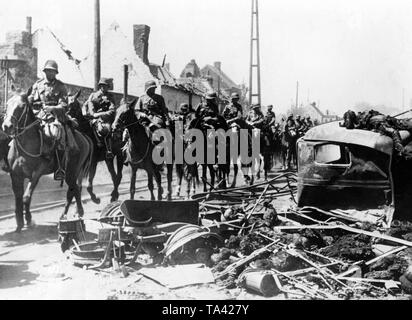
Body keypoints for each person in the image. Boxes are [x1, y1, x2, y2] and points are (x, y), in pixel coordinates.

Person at [28, 60, 78, 181]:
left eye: (52, 71)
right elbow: (31, 99)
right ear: (44, 71)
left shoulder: (61, 86)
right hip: (37, 114)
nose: (49, 73)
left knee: (56, 134)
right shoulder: (37, 84)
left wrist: (52, 108)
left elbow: (64, 105)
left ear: (55, 73)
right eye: (47, 71)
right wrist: (29, 99)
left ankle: (59, 168)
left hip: (54, 116)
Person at [84, 78, 116, 159]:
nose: (106, 88)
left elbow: (112, 110)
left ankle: (108, 150)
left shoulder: (110, 97)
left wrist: (100, 114)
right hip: (94, 118)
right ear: (100, 86)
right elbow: (91, 109)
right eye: (104, 86)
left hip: (106, 119)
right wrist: (94, 114)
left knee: (105, 129)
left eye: (107, 86)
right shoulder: (93, 96)